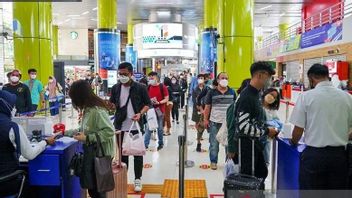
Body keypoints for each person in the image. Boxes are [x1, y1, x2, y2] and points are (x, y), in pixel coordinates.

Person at [289, 63, 352, 191]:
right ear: (327, 76)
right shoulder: (347, 97)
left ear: (311, 79)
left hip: (314, 157)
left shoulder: (306, 97)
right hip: (339, 157)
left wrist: (293, 142)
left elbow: (298, 130)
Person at [56, 80, 115, 198]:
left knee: (98, 189)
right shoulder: (88, 110)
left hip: (100, 154)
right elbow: (84, 129)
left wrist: (87, 138)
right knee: (92, 187)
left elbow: (109, 131)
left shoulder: (97, 111)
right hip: (92, 152)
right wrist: (64, 133)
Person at [227, 61, 279, 188]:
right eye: (269, 77)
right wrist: (267, 131)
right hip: (247, 146)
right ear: (260, 75)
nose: (270, 81)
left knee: (260, 173)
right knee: (249, 182)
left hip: (254, 145)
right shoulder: (247, 96)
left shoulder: (256, 94)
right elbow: (243, 127)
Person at [0, 90, 55, 197]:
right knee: (33, 186)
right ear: (6, 106)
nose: (14, 108)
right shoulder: (12, 127)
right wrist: (46, 142)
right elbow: (29, 154)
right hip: (6, 182)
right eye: (13, 105)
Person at [109, 62, 151, 192]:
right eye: (120, 74)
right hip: (120, 126)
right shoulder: (116, 88)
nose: (122, 76)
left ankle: (137, 179)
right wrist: (109, 106)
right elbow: (112, 104)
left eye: (125, 74)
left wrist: (140, 113)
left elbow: (147, 104)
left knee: (137, 153)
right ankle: (124, 178)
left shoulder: (140, 87)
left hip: (135, 126)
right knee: (123, 154)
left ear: (131, 74)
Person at [203, 72, 236, 170]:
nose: (224, 80)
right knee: (214, 144)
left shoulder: (232, 92)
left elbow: (235, 107)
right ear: (217, 80)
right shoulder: (211, 92)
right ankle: (213, 161)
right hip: (215, 122)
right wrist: (205, 119)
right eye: (222, 78)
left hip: (228, 123)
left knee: (228, 144)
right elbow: (207, 107)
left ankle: (228, 162)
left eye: (226, 78)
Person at [144, 72, 169, 150]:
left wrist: (159, 102)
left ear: (157, 78)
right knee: (149, 127)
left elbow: (166, 98)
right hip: (150, 110)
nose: (151, 79)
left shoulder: (162, 87)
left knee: (160, 128)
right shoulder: (148, 87)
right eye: (150, 78)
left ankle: (160, 143)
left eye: (152, 77)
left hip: (159, 110)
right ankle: (145, 144)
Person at [261, 88, 282, 166]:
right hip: (257, 137)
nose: (272, 97)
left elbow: (278, 124)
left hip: (267, 139)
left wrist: (275, 129)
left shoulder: (273, 111)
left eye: (275, 97)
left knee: (265, 161)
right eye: (271, 95)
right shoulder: (257, 106)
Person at [191, 74, 206, 152]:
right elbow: (194, 99)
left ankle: (200, 135)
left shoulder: (207, 88)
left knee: (203, 124)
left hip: (205, 108)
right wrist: (198, 107)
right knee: (198, 124)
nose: (200, 79)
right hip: (197, 109)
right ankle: (199, 140)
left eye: (202, 78)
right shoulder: (195, 89)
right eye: (199, 78)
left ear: (204, 79)